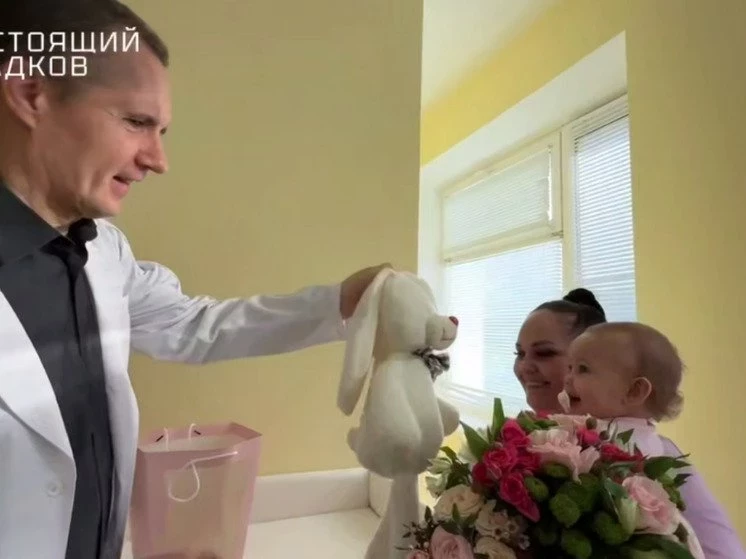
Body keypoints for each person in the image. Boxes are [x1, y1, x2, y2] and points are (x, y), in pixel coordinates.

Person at [0, 2, 388, 558]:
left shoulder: (104, 253)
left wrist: (341, 302)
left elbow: (194, 325)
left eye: (161, 131)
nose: (158, 160)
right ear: (30, 93)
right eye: (136, 122)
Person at [513, 291, 745, 558]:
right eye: (519, 353)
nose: (525, 366)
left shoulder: (643, 454)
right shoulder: (537, 438)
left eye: (544, 353)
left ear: (634, 389)